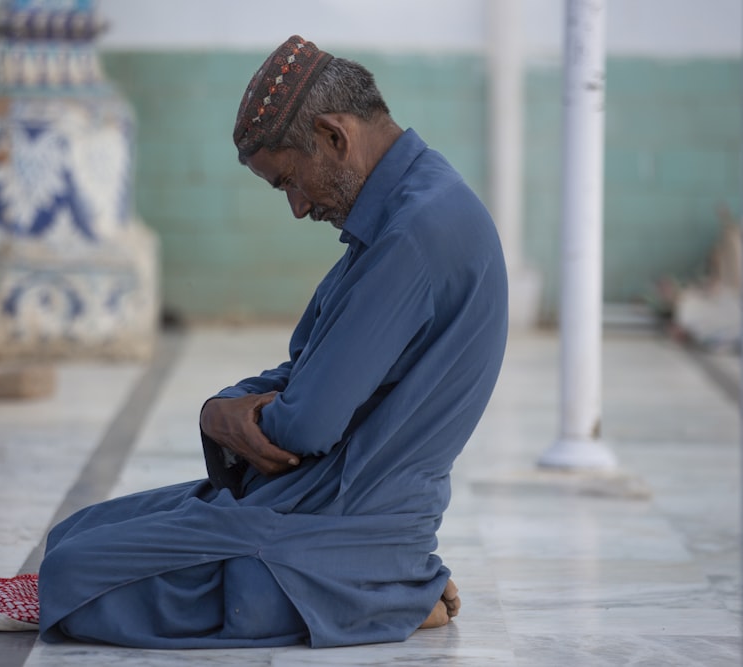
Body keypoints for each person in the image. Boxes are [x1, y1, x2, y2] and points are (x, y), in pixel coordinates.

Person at [38, 35, 508, 649]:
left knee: (72, 573)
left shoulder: (411, 237)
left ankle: (380, 587)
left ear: (335, 136)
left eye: (290, 180)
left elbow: (306, 425)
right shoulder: (417, 203)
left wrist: (234, 417)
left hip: (335, 515)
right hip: (318, 497)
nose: (296, 206)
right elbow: (306, 370)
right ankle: (387, 579)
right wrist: (223, 411)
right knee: (73, 534)